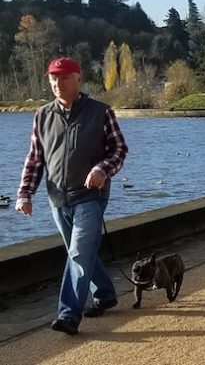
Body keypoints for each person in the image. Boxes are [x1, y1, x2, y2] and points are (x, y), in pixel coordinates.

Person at [16, 57, 129, 335]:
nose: (58, 83)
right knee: (79, 251)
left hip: (91, 196)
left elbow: (119, 150)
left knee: (78, 252)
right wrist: (25, 193)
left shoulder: (101, 112)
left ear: (79, 78)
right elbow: (34, 159)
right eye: (53, 78)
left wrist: (102, 169)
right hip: (57, 198)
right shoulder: (42, 115)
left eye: (64, 77)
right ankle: (104, 293)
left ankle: (68, 314)